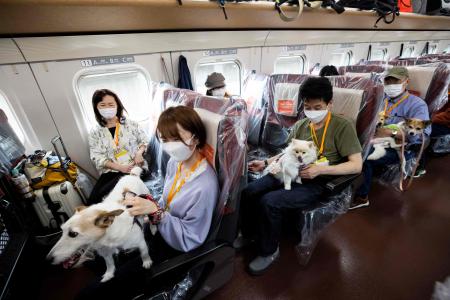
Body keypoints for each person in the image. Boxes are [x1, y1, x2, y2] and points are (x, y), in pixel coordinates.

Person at [76, 106, 219, 300]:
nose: (169, 146)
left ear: (195, 137)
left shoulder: (206, 185)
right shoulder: (176, 163)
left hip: (173, 245)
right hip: (158, 229)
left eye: (176, 139)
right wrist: (144, 203)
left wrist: (157, 214)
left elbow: (191, 238)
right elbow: (166, 200)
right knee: (108, 254)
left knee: (95, 292)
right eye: (165, 140)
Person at [237, 77, 362, 275]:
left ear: (330, 104)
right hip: (291, 170)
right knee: (249, 191)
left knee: (270, 202)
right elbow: (288, 151)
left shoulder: (342, 126)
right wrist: (267, 163)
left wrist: (321, 170)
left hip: (317, 181)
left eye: (317, 106)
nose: (312, 111)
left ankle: (269, 251)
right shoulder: (302, 124)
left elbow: (356, 165)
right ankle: (250, 233)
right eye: (307, 106)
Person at [351, 67, 431, 209]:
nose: (391, 85)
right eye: (388, 82)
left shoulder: (417, 104)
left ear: (406, 82)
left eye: (395, 81)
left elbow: (422, 135)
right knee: (350, 148)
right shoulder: (380, 99)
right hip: (375, 140)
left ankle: (362, 196)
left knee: (365, 157)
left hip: (400, 148)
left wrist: (391, 133)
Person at [87, 89, 148, 205]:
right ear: (96, 108)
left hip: (134, 167)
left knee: (110, 196)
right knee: (93, 201)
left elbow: (144, 141)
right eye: (102, 105)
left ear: (117, 106)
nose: (107, 108)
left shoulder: (131, 124)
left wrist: (139, 153)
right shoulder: (95, 132)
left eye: (111, 104)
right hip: (111, 171)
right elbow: (97, 157)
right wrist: (119, 167)